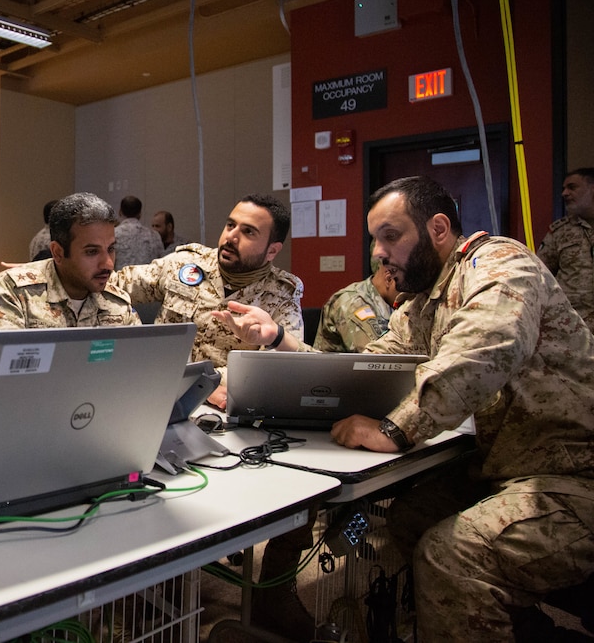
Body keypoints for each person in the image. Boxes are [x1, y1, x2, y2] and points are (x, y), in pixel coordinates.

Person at [218, 176, 594, 641]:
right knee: (410, 518)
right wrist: (278, 341)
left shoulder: (500, 263)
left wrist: (396, 429)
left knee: (452, 554)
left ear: (438, 228)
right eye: (375, 239)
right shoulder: (420, 306)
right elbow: (358, 373)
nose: (378, 252)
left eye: (390, 237)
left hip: (573, 478)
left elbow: (486, 347)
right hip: (503, 469)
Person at [115, 193, 303, 407]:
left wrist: (205, 385)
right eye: (231, 225)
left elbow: (276, 368)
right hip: (160, 397)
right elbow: (114, 287)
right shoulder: (184, 264)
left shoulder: (282, 293)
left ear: (272, 250)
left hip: (227, 410)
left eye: (248, 232)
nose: (231, 237)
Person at [0, 192, 137, 406]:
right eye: (92, 252)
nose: (108, 264)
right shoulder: (10, 293)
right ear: (57, 252)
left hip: (84, 418)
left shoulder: (116, 302)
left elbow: (137, 372)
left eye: (111, 249)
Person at [537, 167, 594, 330]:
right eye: (563, 188)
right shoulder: (560, 232)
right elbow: (540, 277)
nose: (564, 193)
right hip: (574, 329)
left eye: (572, 187)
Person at [313, 250, 398, 352]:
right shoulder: (353, 302)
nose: (413, 294)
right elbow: (376, 358)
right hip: (339, 368)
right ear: (389, 279)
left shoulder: (392, 302)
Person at [114, 195, 164, 269]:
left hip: (122, 279)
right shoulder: (154, 236)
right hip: (148, 279)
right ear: (140, 214)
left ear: (120, 212)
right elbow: (161, 264)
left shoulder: (113, 235)